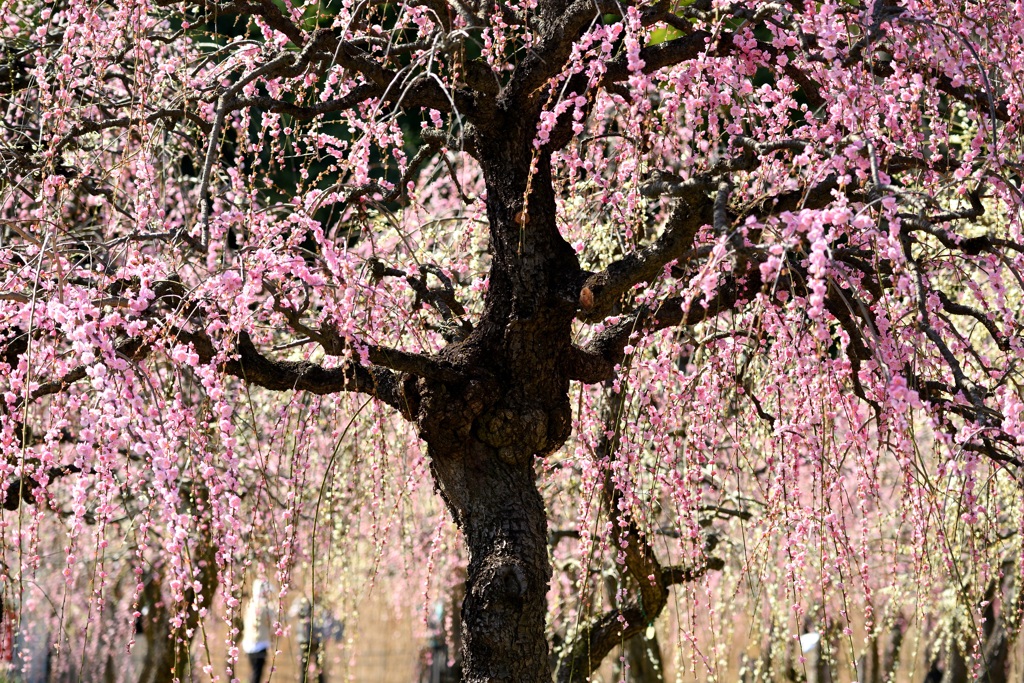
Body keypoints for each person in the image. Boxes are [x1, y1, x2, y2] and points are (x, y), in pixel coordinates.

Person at [241, 579, 272, 683]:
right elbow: (272, 621)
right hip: (259, 644)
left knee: (254, 672)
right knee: (256, 674)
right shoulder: (263, 606)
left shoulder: (250, 604)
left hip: (249, 643)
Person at [290, 597, 324, 683]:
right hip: (304, 638)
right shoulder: (300, 600)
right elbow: (292, 613)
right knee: (303, 667)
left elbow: (323, 620)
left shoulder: (320, 601)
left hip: (316, 639)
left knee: (319, 666)